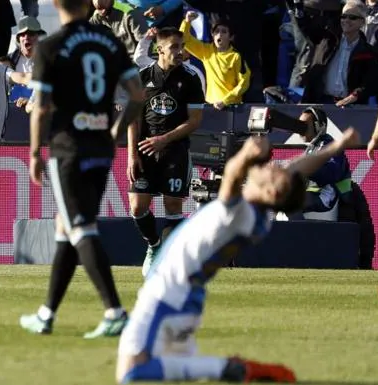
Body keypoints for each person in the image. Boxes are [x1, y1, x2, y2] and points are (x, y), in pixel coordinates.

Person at [115, 127, 361, 384]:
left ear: (273, 192)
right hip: (182, 298)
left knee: (132, 374)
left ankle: (232, 369)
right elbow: (298, 170)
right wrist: (336, 146)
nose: (275, 166)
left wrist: (245, 154)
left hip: (169, 295)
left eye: (275, 172)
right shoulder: (255, 213)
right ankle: (230, 370)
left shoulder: (240, 214)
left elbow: (232, 175)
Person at [20, 0, 145, 338]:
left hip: (69, 148)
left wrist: (34, 152)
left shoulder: (51, 47)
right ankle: (46, 314)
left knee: (80, 229)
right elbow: (138, 94)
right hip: (101, 149)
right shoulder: (110, 41)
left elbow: (42, 108)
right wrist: (117, 131)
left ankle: (115, 311)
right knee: (67, 228)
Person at [127, 27, 204, 277]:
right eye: (174, 47)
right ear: (159, 49)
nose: (180, 51)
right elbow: (133, 119)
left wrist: (164, 139)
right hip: (144, 151)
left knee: (173, 204)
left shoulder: (191, 78)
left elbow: (194, 120)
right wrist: (131, 155)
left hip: (175, 151)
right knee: (137, 206)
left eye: (182, 46)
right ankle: (154, 246)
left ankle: (174, 259)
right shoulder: (141, 77)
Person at [284, 107, 352, 221]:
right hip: (311, 194)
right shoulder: (312, 148)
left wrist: (304, 168)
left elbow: (331, 173)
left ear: (318, 126)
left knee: (291, 202)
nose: (300, 129)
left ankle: (299, 236)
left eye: (305, 125)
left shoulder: (330, 146)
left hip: (325, 197)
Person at [180, 11, 251, 110]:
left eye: (224, 32)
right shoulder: (206, 51)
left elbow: (244, 83)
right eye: (216, 31)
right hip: (210, 106)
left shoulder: (236, 56)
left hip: (232, 107)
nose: (219, 34)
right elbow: (184, 40)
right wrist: (187, 22)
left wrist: (225, 101)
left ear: (231, 37)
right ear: (212, 35)